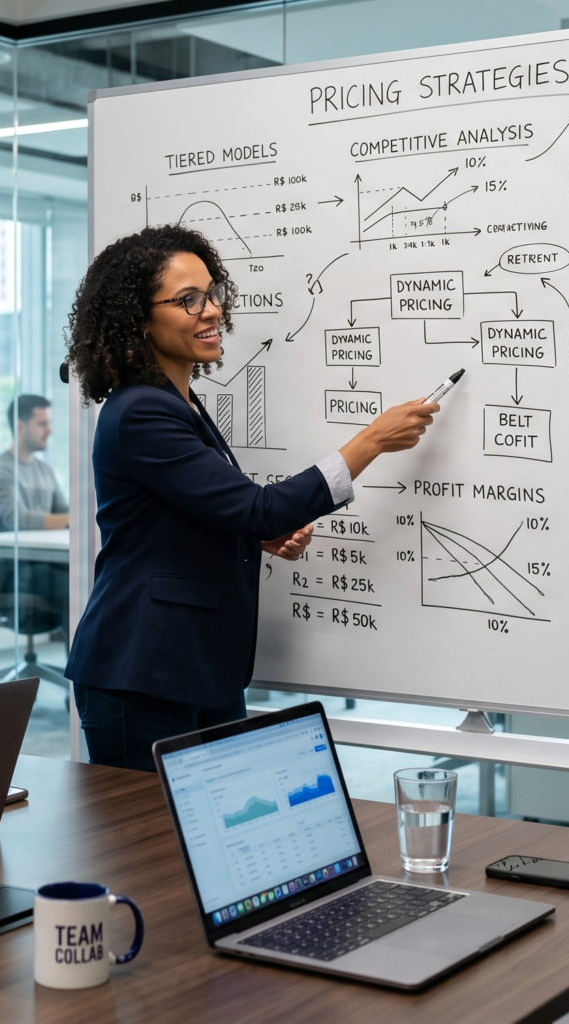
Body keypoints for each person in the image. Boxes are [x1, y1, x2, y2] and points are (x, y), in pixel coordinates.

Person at [64, 224, 439, 770]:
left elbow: (194, 513)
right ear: (138, 319)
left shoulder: (181, 402)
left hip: (196, 668)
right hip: (144, 670)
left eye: (212, 293)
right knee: (143, 829)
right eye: (188, 300)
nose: (212, 310)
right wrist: (372, 441)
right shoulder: (143, 410)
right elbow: (258, 508)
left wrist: (252, 537)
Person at [0, 394, 69, 530]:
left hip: (45, 542)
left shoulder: (45, 470)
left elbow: (63, 510)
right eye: (42, 424)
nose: (49, 431)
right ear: (20, 427)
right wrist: (72, 520)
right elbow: (16, 520)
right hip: (15, 544)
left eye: (49, 424)